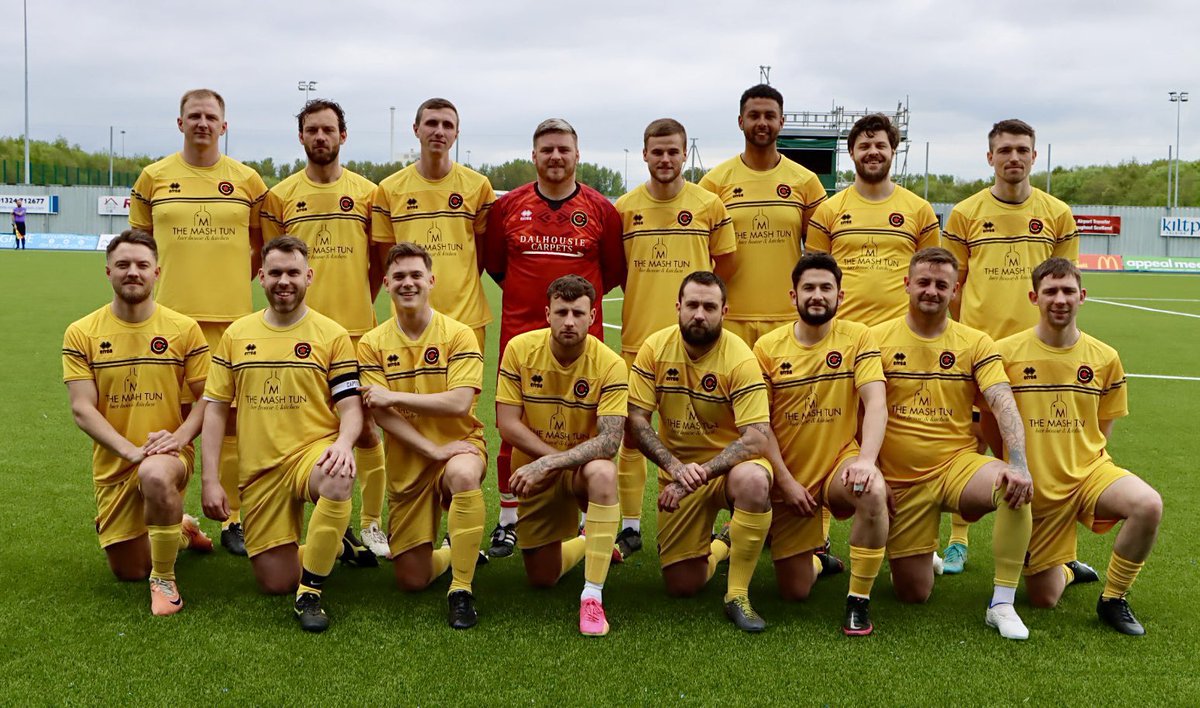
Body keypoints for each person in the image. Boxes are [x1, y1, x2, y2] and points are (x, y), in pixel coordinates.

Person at [983, 257, 1161, 635]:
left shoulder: (1104, 357)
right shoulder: (1005, 352)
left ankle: (1114, 598)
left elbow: (1102, 426)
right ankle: (1067, 568)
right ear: (1034, 297)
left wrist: (1083, 463)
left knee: (1148, 504)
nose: (1059, 299)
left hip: (1090, 475)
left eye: (1067, 291)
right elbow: (988, 422)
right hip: (1038, 487)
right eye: (1050, 291)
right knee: (1043, 598)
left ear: (1082, 296)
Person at [200, 236, 367, 633]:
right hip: (259, 472)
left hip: (311, 455)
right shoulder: (236, 335)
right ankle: (333, 545)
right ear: (261, 277)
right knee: (274, 582)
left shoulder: (332, 335)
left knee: (338, 474)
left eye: (293, 272)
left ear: (309, 276)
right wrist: (209, 480)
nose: (284, 280)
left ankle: (310, 592)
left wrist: (343, 444)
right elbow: (215, 409)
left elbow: (350, 409)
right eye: (275, 272)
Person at [129, 88, 269, 556]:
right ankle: (172, 512)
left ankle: (230, 518)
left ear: (224, 126)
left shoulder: (248, 181)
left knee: (227, 422)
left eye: (211, 117)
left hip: (231, 322)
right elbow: (141, 246)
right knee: (168, 419)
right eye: (194, 116)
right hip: (167, 323)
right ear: (180, 122)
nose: (203, 123)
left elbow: (260, 245)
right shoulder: (154, 178)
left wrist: (229, 284)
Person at [872, 247, 1034, 640]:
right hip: (901, 479)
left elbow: (1002, 401)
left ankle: (1002, 603)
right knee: (913, 594)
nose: (931, 291)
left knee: (1012, 487)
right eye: (923, 282)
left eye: (941, 285)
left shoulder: (975, 342)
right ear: (906, 284)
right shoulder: (874, 339)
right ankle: (923, 549)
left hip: (956, 467)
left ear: (955, 290)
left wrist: (1018, 463)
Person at [939, 119, 1080, 573]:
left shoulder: (1057, 213)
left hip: (1037, 353)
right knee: (974, 442)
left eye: (1022, 149)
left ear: (1034, 157)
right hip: (981, 350)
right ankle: (959, 538)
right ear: (990, 158)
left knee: (1047, 446)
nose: (1013, 157)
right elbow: (952, 286)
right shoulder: (965, 213)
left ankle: (1057, 549)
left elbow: (1065, 283)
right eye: (1004, 150)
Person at [483, 118, 625, 557]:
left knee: (586, 426)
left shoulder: (601, 209)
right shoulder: (509, 207)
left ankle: (588, 518)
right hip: (521, 334)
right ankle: (508, 518)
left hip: (581, 341)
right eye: (547, 150)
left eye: (564, 149)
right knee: (514, 428)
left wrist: (571, 316)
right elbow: (495, 264)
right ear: (534, 156)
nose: (556, 157)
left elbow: (613, 271)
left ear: (577, 154)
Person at [261, 98, 388, 558]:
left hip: (356, 331)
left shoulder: (369, 194)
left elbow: (379, 265)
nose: (320, 137)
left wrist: (357, 302)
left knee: (367, 428)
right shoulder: (281, 196)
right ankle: (329, 522)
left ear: (343, 135)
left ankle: (371, 524)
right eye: (311, 130)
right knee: (312, 426)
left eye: (328, 129)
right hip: (299, 336)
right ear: (301, 137)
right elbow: (274, 263)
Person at [63, 229, 214, 615]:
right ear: (108, 271)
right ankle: (181, 527)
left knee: (154, 475)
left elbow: (209, 398)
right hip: (116, 461)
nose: (134, 272)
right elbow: (83, 408)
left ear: (157, 272)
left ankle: (164, 581)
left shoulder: (184, 328)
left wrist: (179, 438)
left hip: (168, 454)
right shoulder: (82, 332)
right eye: (124, 265)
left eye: (142, 265)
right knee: (128, 570)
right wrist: (129, 450)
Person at [613, 119, 737, 559]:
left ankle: (729, 518)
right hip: (639, 339)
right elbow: (616, 269)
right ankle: (629, 526)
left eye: (673, 152)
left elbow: (725, 266)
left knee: (713, 430)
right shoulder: (625, 207)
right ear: (644, 154)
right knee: (633, 431)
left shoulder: (709, 204)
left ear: (685, 154)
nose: (665, 159)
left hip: (698, 343)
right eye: (656, 152)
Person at [627, 271, 774, 632]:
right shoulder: (654, 349)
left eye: (709, 307)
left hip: (727, 472)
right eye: (692, 305)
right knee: (682, 586)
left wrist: (697, 475)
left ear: (725, 310)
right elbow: (637, 421)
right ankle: (725, 543)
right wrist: (675, 468)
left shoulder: (739, 357)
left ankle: (736, 594)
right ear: (678, 307)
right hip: (680, 473)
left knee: (755, 480)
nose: (699, 314)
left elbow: (756, 437)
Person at [752, 253, 889, 635]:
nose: (817, 295)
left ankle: (858, 601)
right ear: (792, 295)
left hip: (837, 467)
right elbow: (759, 424)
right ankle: (818, 561)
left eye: (825, 288)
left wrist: (867, 460)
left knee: (873, 489)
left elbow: (875, 401)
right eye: (808, 288)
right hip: (790, 475)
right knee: (794, 592)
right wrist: (785, 481)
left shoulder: (858, 337)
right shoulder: (767, 347)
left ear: (839, 296)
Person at [358, 242, 489, 630]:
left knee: (464, 474)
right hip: (411, 462)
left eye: (416, 275)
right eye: (399, 276)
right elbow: (381, 414)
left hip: (458, 449)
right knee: (411, 580)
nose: (408, 283)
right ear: (386, 284)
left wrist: (394, 395)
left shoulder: (460, 334)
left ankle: (461, 589)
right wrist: (431, 447)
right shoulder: (372, 343)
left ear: (431, 280)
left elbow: (459, 403)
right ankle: (456, 551)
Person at [495, 275, 626, 636]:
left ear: (593, 316)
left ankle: (592, 596)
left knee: (603, 472)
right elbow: (506, 423)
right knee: (542, 577)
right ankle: (592, 542)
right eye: (562, 312)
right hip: (536, 469)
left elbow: (610, 441)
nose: (570, 321)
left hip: (577, 469)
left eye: (578, 313)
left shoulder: (611, 364)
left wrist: (553, 462)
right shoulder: (519, 350)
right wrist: (547, 460)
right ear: (547, 313)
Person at [699, 83, 826, 347]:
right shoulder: (714, 183)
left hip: (788, 318)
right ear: (740, 121)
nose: (762, 122)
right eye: (754, 115)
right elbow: (700, 252)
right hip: (729, 318)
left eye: (769, 116)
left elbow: (819, 255)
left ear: (781, 121)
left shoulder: (805, 181)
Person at [371, 98, 496, 351]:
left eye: (447, 125)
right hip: (409, 319)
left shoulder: (478, 185)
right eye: (431, 123)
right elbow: (389, 258)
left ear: (456, 134)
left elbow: (481, 254)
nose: (439, 131)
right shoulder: (389, 189)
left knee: (463, 392)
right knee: (406, 392)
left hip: (466, 320)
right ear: (416, 129)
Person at [807, 113, 941, 326]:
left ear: (893, 151)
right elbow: (814, 278)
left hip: (901, 333)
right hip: (843, 333)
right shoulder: (827, 211)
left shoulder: (920, 211)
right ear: (851, 153)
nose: (873, 152)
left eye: (880, 145)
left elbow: (933, 276)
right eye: (864, 146)